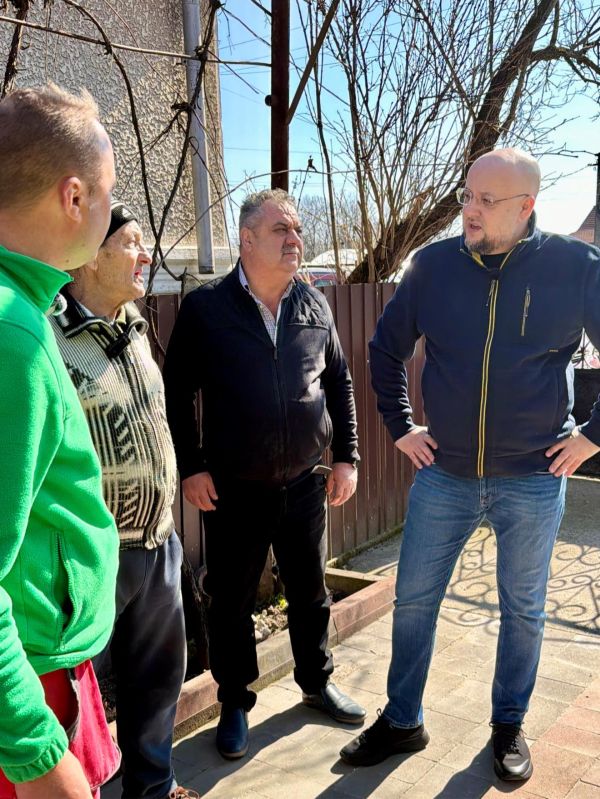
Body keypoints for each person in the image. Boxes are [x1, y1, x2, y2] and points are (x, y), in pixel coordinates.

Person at [340, 148, 600, 781]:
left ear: (527, 206)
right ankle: (403, 720)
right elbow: (384, 351)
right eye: (466, 196)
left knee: (524, 609)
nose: (470, 210)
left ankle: (508, 726)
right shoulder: (432, 267)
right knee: (413, 600)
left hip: (534, 478)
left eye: (487, 200)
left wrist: (593, 437)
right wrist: (401, 427)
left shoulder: (574, 268)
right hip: (445, 475)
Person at [163, 188, 365, 760]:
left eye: (297, 230)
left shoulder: (314, 305)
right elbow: (177, 393)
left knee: (310, 590)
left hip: (303, 484)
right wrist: (192, 466)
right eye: (282, 230)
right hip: (235, 489)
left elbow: (339, 383)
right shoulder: (207, 310)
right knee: (231, 601)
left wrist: (346, 456)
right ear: (247, 239)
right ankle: (234, 701)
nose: (295, 239)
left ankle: (316, 681)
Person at [50, 202, 199, 799]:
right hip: (92, 556)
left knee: (159, 683)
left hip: (159, 543)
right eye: (133, 242)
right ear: (92, 254)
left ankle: (154, 789)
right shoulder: (49, 336)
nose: (146, 255)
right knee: (75, 694)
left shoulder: (134, 327)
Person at [0, 85, 120, 798]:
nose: (112, 209)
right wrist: (38, 753)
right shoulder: (11, 335)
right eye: (108, 191)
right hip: (27, 686)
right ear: (73, 197)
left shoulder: (21, 308)